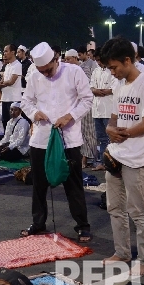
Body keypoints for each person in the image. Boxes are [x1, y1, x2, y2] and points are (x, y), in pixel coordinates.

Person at [20, 41, 94, 241]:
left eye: (48, 69)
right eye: (41, 70)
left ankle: (82, 225)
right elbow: (25, 101)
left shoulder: (74, 72)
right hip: (41, 139)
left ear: (56, 58)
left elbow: (87, 99)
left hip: (68, 139)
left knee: (73, 184)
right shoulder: (35, 76)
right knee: (39, 184)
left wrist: (70, 116)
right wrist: (35, 113)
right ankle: (38, 223)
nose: (45, 73)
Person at [101, 37, 144, 274]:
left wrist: (122, 133)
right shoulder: (119, 86)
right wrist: (110, 129)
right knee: (114, 207)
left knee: (138, 211)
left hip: (138, 157)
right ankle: (122, 253)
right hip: (117, 154)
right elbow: (113, 118)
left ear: (127, 60)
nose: (112, 72)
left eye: (114, 67)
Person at [90, 53, 118, 171]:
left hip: (108, 108)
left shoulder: (112, 70)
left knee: (110, 138)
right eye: (97, 60)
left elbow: (115, 88)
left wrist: (103, 91)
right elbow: (90, 86)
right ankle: (102, 162)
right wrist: (95, 91)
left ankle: (112, 162)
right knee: (101, 138)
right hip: (97, 109)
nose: (99, 63)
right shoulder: (96, 71)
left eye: (100, 60)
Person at [0, 44, 23, 129]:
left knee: (13, 123)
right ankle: (6, 141)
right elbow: (3, 80)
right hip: (5, 97)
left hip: (14, 98)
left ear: (13, 52)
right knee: (5, 121)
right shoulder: (7, 66)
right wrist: (1, 83)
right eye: (4, 51)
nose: (4, 53)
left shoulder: (17, 65)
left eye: (6, 51)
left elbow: (11, 81)